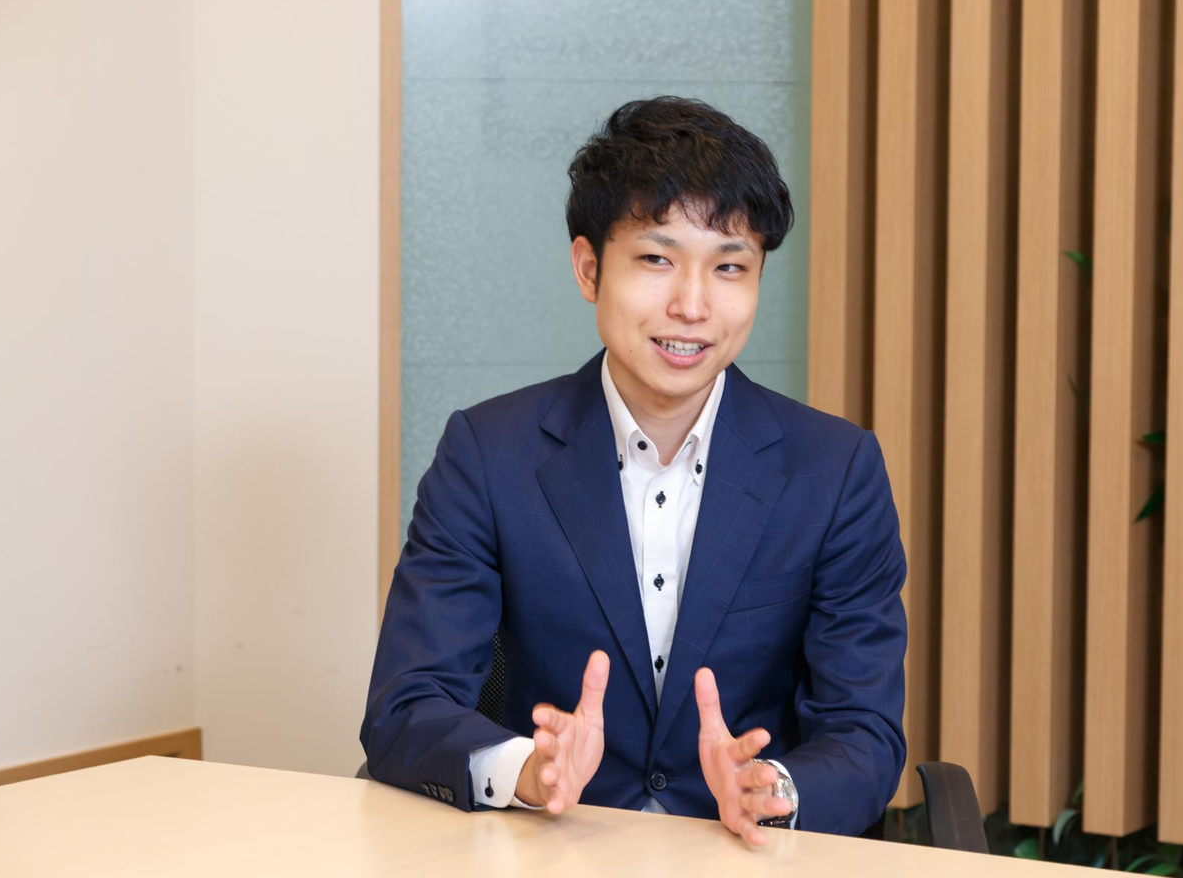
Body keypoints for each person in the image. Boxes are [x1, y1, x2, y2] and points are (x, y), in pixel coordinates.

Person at [361, 96, 907, 842]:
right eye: (657, 260)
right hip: (552, 847)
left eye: (730, 267)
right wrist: (525, 768)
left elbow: (864, 731)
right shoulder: (488, 454)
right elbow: (406, 705)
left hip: (746, 854)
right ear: (589, 269)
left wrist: (774, 789)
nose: (692, 305)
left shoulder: (835, 472)